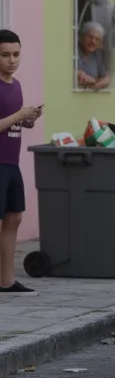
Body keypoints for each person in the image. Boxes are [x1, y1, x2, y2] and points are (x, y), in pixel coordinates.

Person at [0, 30, 41, 295]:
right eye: (5, 55)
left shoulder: (16, 85)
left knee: (14, 217)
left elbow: (13, 123)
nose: (12, 60)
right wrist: (18, 116)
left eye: (16, 54)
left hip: (11, 163)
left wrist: (29, 118)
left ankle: (6, 282)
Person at [76, 20, 111, 91]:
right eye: (90, 37)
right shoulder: (73, 51)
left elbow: (106, 78)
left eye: (97, 39)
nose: (93, 41)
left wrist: (92, 87)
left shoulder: (97, 54)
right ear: (82, 36)